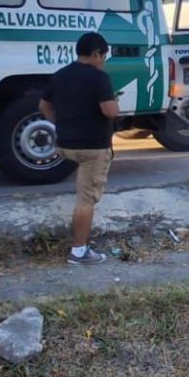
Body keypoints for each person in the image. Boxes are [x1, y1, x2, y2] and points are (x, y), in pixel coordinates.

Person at [39, 32, 119, 264]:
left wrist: (60, 124)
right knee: (86, 200)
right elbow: (110, 111)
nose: (103, 60)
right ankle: (79, 251)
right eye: (103, 56)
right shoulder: (99, 78)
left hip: (65, 145)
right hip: (92, 148)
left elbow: (44, 106)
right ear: (95, 54)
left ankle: (79, 247)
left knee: (83, 194)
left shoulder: (59, 76)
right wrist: (116, 103)